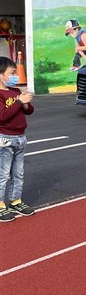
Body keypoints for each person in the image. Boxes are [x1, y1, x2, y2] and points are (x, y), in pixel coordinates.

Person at [0, 56, 35, 222]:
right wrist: (19, 102)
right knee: (3, 174)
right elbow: (2, 116)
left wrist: (26, 104)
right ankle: (0, 205)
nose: (15, 76)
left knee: (18, 173)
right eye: (12, 73)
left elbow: (29, 111)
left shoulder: (15, 91)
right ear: (1, 75)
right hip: (5, 138)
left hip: (20, 137)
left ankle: (15, 201)